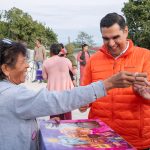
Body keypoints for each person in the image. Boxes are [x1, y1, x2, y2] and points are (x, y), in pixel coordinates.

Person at [0, 38, 147, 150]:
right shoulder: (12, 95)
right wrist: (107, 84)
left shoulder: (145, 56)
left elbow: (16, 123)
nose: (27, 65)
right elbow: (59, 99)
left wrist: (43, 125)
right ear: (6, 68)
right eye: (23, 62)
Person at [80, 13, 150, 149]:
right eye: (106, 39)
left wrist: (147, 95)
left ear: (126, 31)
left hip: (136, 140)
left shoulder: (146, 56)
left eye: (115, 37)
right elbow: (85, 92)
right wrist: (83, 102)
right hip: (100, 137)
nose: (111, 44)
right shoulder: (94, 60)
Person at [42, 43, 75, 120]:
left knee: (54, 117)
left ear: (51, 52)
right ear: (60, 51)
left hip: (52, 92)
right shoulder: (66, 60)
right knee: (67, 117)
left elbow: (44, 77)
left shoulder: (46, 62)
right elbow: (74, 72)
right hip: (66, 92)